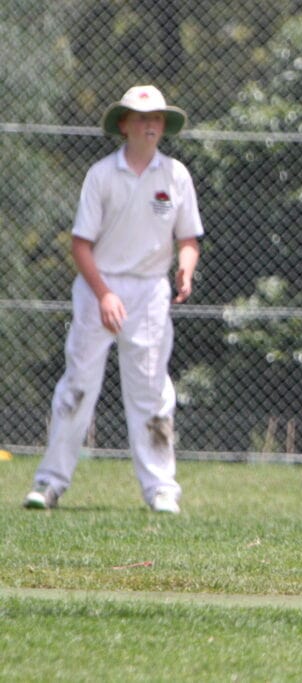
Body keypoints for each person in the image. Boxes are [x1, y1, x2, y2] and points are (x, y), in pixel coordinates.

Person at [23, 85, 204, 514]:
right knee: (79, 387)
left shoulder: (175, 175)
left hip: (149, 294)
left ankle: (161, 489)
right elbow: (81, 244)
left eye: (156, 117)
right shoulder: (102, 175)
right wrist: (104, 295)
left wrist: (186, 267)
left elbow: (189, 237)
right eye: (140, 117)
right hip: (97, 289)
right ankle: (48, 484)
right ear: (123, 124)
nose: (149, 125)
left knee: (151, 393)